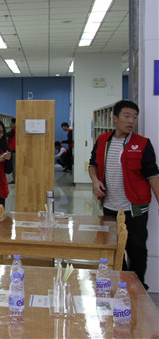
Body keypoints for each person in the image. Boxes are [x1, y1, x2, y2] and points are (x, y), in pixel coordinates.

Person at [88, 100, 159, 290]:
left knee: (136, 249)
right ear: (115, 118)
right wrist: (95, 181)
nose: (131, 121)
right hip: (110, 207)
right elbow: (92, 165)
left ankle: (138, 289)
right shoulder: (103, 140)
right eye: (127, 116)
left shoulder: (143, 144)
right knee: (113, 248)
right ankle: (121, 285)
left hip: (135, 208)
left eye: (134, 117)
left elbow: (153, 175)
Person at [6, 117, 17, 183]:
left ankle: (15, 179)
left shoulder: (13, 131)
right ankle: (15, 178)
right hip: (14, 150)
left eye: (10, 122)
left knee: (14, 165)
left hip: (14, 151)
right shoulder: (15, 130)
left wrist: (1, 133)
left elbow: (9, 134)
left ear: (13, 123)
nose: (10, 124)